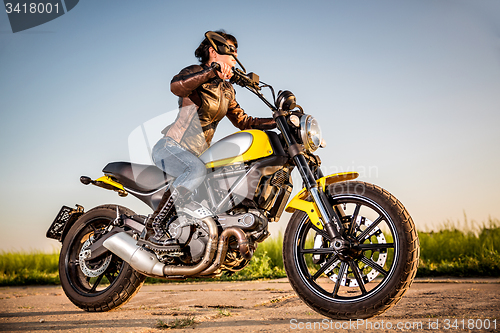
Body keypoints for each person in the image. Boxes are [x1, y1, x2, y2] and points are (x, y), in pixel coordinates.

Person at [143, 30, 276, 247]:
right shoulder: (196, 74)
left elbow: (244, 121)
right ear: (214, 52)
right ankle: (155, 225)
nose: (235, 59)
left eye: (236, 54)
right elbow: (177, 86)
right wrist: (211, 72)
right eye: (231, 53)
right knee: (195, 171)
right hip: (171, 147)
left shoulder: (226, 90)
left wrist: (278, 120)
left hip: (199, 154)